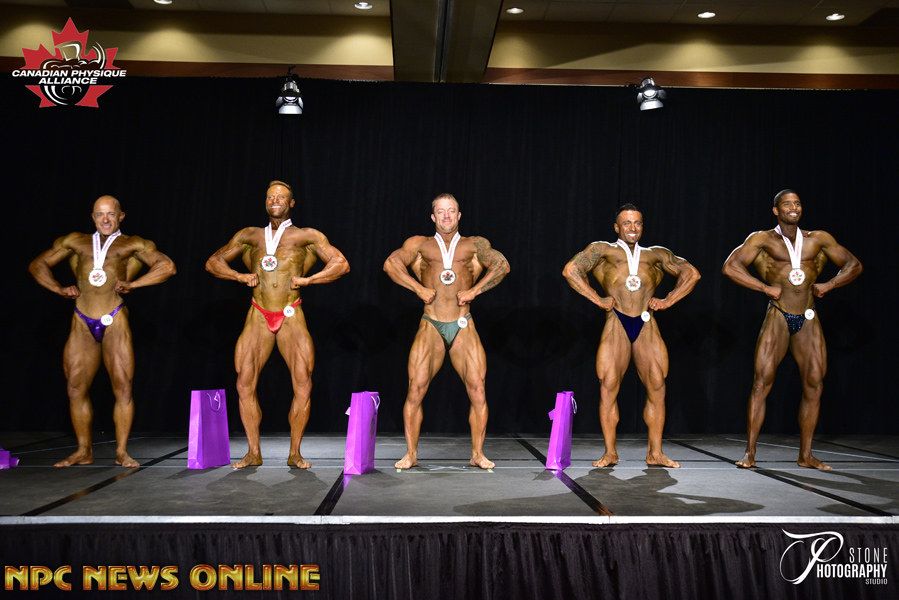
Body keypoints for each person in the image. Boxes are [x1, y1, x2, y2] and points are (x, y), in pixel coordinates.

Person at [206, 180, 349, 469]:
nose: (275, 201)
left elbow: (341, 263)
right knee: (244, 382)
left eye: (281, 197)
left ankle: (295, 452)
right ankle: (253, 452)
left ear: (291, 203)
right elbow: (213, 262)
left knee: (303, 382)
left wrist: (310, 280)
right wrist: (238, 276)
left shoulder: (306, 236)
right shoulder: (249, 235)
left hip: (290, 312)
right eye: (271, 197)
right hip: (258, 313)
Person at [29, 195, 176, 467]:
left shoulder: (133, 243)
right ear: (93, 217)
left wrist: (135, 284)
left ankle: (122, 452)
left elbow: (167, 266)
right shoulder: (75, 241)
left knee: (123, 387)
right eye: (99, 214)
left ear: (121, 216)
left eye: (110, 214)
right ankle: (83, 451)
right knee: (75, 388)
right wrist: (58, 288)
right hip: (81, 319)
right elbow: (37, 265)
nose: (105, 219)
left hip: (114, 318)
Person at [722, 189, 862, 471]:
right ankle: (750, 453)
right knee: (761, 384)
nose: (793, 207)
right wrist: (764, 287)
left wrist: (830, 284)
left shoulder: (818, 239)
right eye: (787, 204)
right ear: (776, 210)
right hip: (778, 315)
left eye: (797, 203)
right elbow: (730, 267)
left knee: (814, 384)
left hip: (808, 317)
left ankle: (806, 455)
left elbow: (854, 264)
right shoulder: (762, 239)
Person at [562, 203, 700, 468]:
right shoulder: (603, 250)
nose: (632, 228)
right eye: (626, 223)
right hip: (617, 321)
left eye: (637, 223)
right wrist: (597, 299)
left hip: (646, 324)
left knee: (657, 386)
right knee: (608, 386)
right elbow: (571, 270)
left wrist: (669, 300)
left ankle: (655, 453)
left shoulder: (656, 254)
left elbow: (692, 274)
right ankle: (610, 453)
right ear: (617, 227)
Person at [384, 193, 510, 470]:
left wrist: (476, 290)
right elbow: (391, 264)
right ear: (433, 217)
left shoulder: (474, 244)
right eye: (440, 212)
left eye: (451, 211)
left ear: (459, 215)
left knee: (478, 389)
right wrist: (418, 288)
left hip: (463, 323)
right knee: (416, 389)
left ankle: (477, 453)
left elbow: (502, 265)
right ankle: (411, 454)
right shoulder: (420, 244)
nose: (446, 216)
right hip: (431, 323)